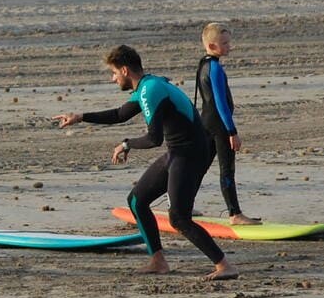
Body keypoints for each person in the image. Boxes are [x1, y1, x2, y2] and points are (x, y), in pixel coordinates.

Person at [54, 45, 238, 281]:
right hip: (178, 152)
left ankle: (225, 265)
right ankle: (158, 261)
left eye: (113, 73)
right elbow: (120, 114)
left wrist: (126, 144)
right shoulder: (148, 86)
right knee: (137, 200)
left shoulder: (150, 90)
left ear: (124, 70)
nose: (113, 79)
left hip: (191, 155)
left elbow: (154, 138)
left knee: (179, 218)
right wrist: (80, 117)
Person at [195, 22, 259, 224]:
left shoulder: (203, 64)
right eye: (225, 43)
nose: (230, 46)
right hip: (219, 125)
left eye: (229, 41)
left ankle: (180, 205)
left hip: (205, 123)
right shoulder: (214, 68)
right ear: (212, 46)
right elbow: (221, 103)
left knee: (198, 168)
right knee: (227, 169)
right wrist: (232, 131)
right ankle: (235, 214)